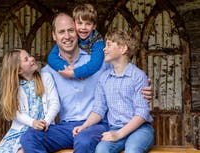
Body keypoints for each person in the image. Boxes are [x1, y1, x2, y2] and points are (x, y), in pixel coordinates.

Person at [20, 13, 153, 153]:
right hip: (66, 127)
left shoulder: (99, 62)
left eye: (71, 31)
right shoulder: (48, 72)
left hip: (96, 125)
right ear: (54, 36)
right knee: (29, 138)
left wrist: (146, 88)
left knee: (84, 140)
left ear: (77, 32)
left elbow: (123, 74)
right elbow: (26, 92)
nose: (67, 36)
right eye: (61, 32)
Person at [73, 29, 154, 153]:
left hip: (140, 129)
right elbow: (99, 109)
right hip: (115, 128)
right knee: (101, 150)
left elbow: (142, 113)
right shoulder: (104, 78)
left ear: (123, 49)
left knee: (132, 150)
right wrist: (84, 126)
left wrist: (118, 135)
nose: (104, 49)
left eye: (109, 45)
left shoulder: (138, 76)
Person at [0, 49, 60, 153]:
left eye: (30, 56)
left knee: (24, 150)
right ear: (19, 70)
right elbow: (16, 112)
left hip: (43, 130)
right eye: (26, 59)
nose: (32, 58)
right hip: (19, 131)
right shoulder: (15, 87)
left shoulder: (46, 77)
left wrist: (46, 121)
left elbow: (55, 103)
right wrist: (33, 122)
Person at [47, 3, 104, 79]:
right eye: (80, 23)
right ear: (74, 23)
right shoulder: (72, 37)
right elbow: (51, 58)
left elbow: (95, 64)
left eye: (88, 24)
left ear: (94, 26)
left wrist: (75, 72)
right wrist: (67, 68)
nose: (83, 27)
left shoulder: (98, 42)